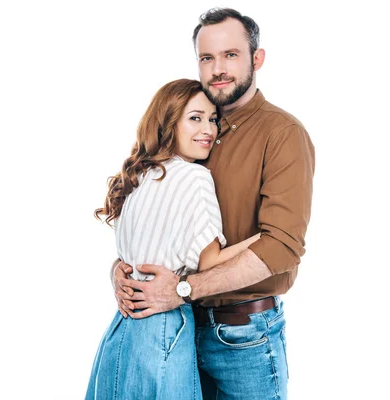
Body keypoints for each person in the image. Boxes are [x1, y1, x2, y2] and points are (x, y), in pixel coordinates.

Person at [112, 8, 315, 400]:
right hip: (178, 329)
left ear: (257, 59)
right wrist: (124, 271)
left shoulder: (282, 133)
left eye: (231, 55)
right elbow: (162, 221)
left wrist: (183, 288)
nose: (218, 68)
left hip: (244, 336)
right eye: (207, 58)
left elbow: (283, 247)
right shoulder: (193, 132)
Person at [85, 78, 260, 400]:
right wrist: (266, 236)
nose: (208, 128)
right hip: (164, 323)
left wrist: (116, 273)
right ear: (168, 123)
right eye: (195, 118)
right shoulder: (194, 177)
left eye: (212, 119)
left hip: (123, 327)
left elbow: (128, 260)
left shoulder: (139, 176)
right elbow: (209, 262)